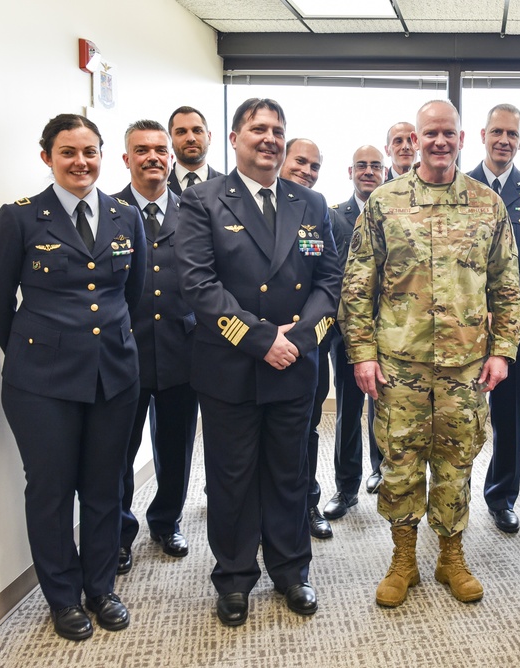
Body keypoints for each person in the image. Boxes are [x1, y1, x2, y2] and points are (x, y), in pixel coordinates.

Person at [340, 99, 520, 608]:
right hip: (401, 364)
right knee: (399, 462)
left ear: (463, 139)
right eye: (430, 133)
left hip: (466, 366)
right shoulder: (384, 202)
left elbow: (507, 285)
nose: (439, 141)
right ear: (415, 140)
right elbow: (358, 284)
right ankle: (403, 559)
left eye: (449, 133)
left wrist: (503, 350)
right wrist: (362, 353)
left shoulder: (489, 205)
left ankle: (451, 556)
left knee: (457, 461)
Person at [0, 113, 146, 640]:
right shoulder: (21, 218)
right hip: (41, 384)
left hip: (113, 375)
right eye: (68, 152)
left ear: (102, 155)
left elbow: (132, 294)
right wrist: (34, 352)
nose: (81, 162)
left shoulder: (125, 215)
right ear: (46, 156)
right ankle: (63, 596)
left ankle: (101, 588)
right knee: (51, 491)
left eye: (90, 151)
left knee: (104, 486)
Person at [176, 98, 342, 627]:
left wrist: (303, 339)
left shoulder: (310, 203)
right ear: (234, 137)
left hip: (294, 364)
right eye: (257, 129)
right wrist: (261, 338)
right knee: (233, 476)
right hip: (231, 365)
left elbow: (329, 281)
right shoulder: (202, 200)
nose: (269, 138)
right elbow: (199, 285)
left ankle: (292, 570)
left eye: (277, 130)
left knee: (290, 474)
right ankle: (234, 577)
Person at [114, 120, 197, 574]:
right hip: (123, 355)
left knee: (177, 446)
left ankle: (167, 521)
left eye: (160, 150)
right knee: (120, 452)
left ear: (171, 158)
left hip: (181, 351)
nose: (153, 157)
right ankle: (121, 533)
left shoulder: (193, 211)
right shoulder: (108, 211)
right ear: (126, 158)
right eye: (141, 150)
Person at [467, 104, 520, 534]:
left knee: (511, 414)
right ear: (482, 134)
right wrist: (473, 304)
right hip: (460, 325)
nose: (504, 140)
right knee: (455, 414)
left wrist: (499, 305)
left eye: (512, 134)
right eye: (496, 131)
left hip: (519, 324)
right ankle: (453, 493)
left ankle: (502, 495)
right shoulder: (458, 185)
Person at [325, 145, 388, 524]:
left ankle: (382, 472)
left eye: (375, 166)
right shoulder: (334, 216)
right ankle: (346, 488)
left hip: (396, 331)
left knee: (389, 407)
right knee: (348, 410)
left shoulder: (396, 212)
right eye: (362, 166)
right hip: (349, 330)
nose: (369, 171)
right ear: (350, 171)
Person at [279, 137, 334, 540]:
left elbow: (329, 281)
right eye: (300, 161)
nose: (307, 171)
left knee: (307, 432)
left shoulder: (316, 210)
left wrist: (300, 339)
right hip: (250, 346)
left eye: (314, 166)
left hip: (307, 347)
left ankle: (307, 502)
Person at [167, 106, 222, 195]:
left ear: (209, 137)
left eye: (197, 131)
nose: (190, 138)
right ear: (170, 140)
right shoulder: (156, 186)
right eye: (181, 132)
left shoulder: (229, 186)